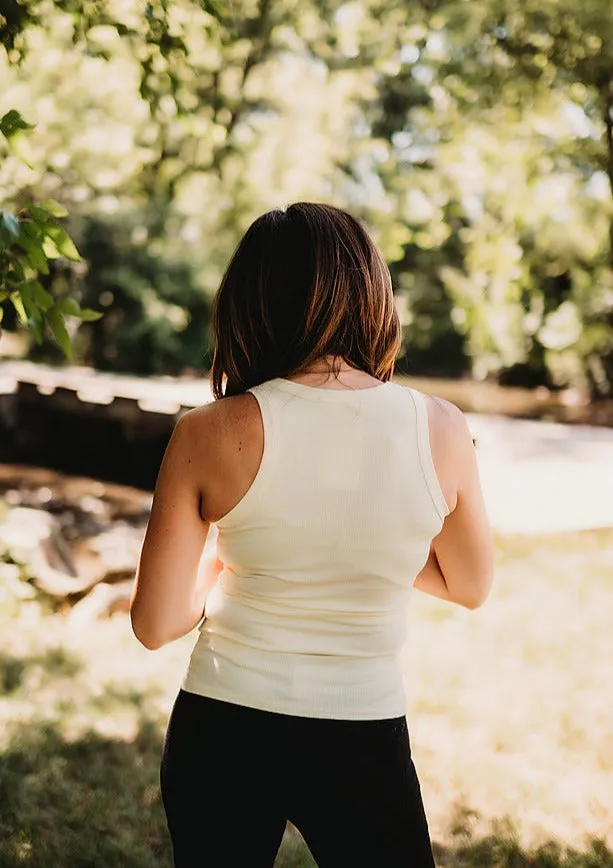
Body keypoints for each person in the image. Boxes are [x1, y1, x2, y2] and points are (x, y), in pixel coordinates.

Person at [130, 202, 494, 867]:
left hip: (223, 724)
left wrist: (225, 561)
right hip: (364, 729)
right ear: (371, 294)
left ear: (247, 305)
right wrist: (374, 539)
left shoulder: (207, 432)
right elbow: (469, 586)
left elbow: (155, 624)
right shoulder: (441, 426)